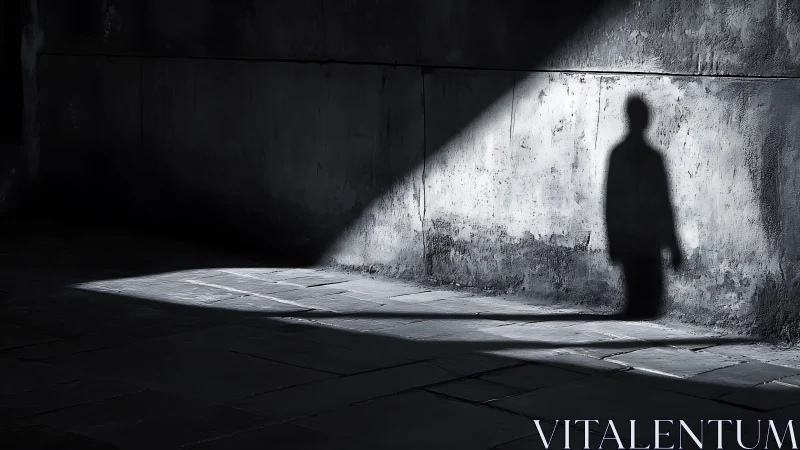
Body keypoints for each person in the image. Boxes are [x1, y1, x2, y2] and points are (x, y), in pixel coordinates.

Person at [604, 95, 683, 319]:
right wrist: (673, 245)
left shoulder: (621, 155)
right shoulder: (652, 158)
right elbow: (663, 203)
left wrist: (613, 240)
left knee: (641, 306)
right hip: (647, 238)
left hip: (633, 237)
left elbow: (611, 201)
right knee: (647, 306)